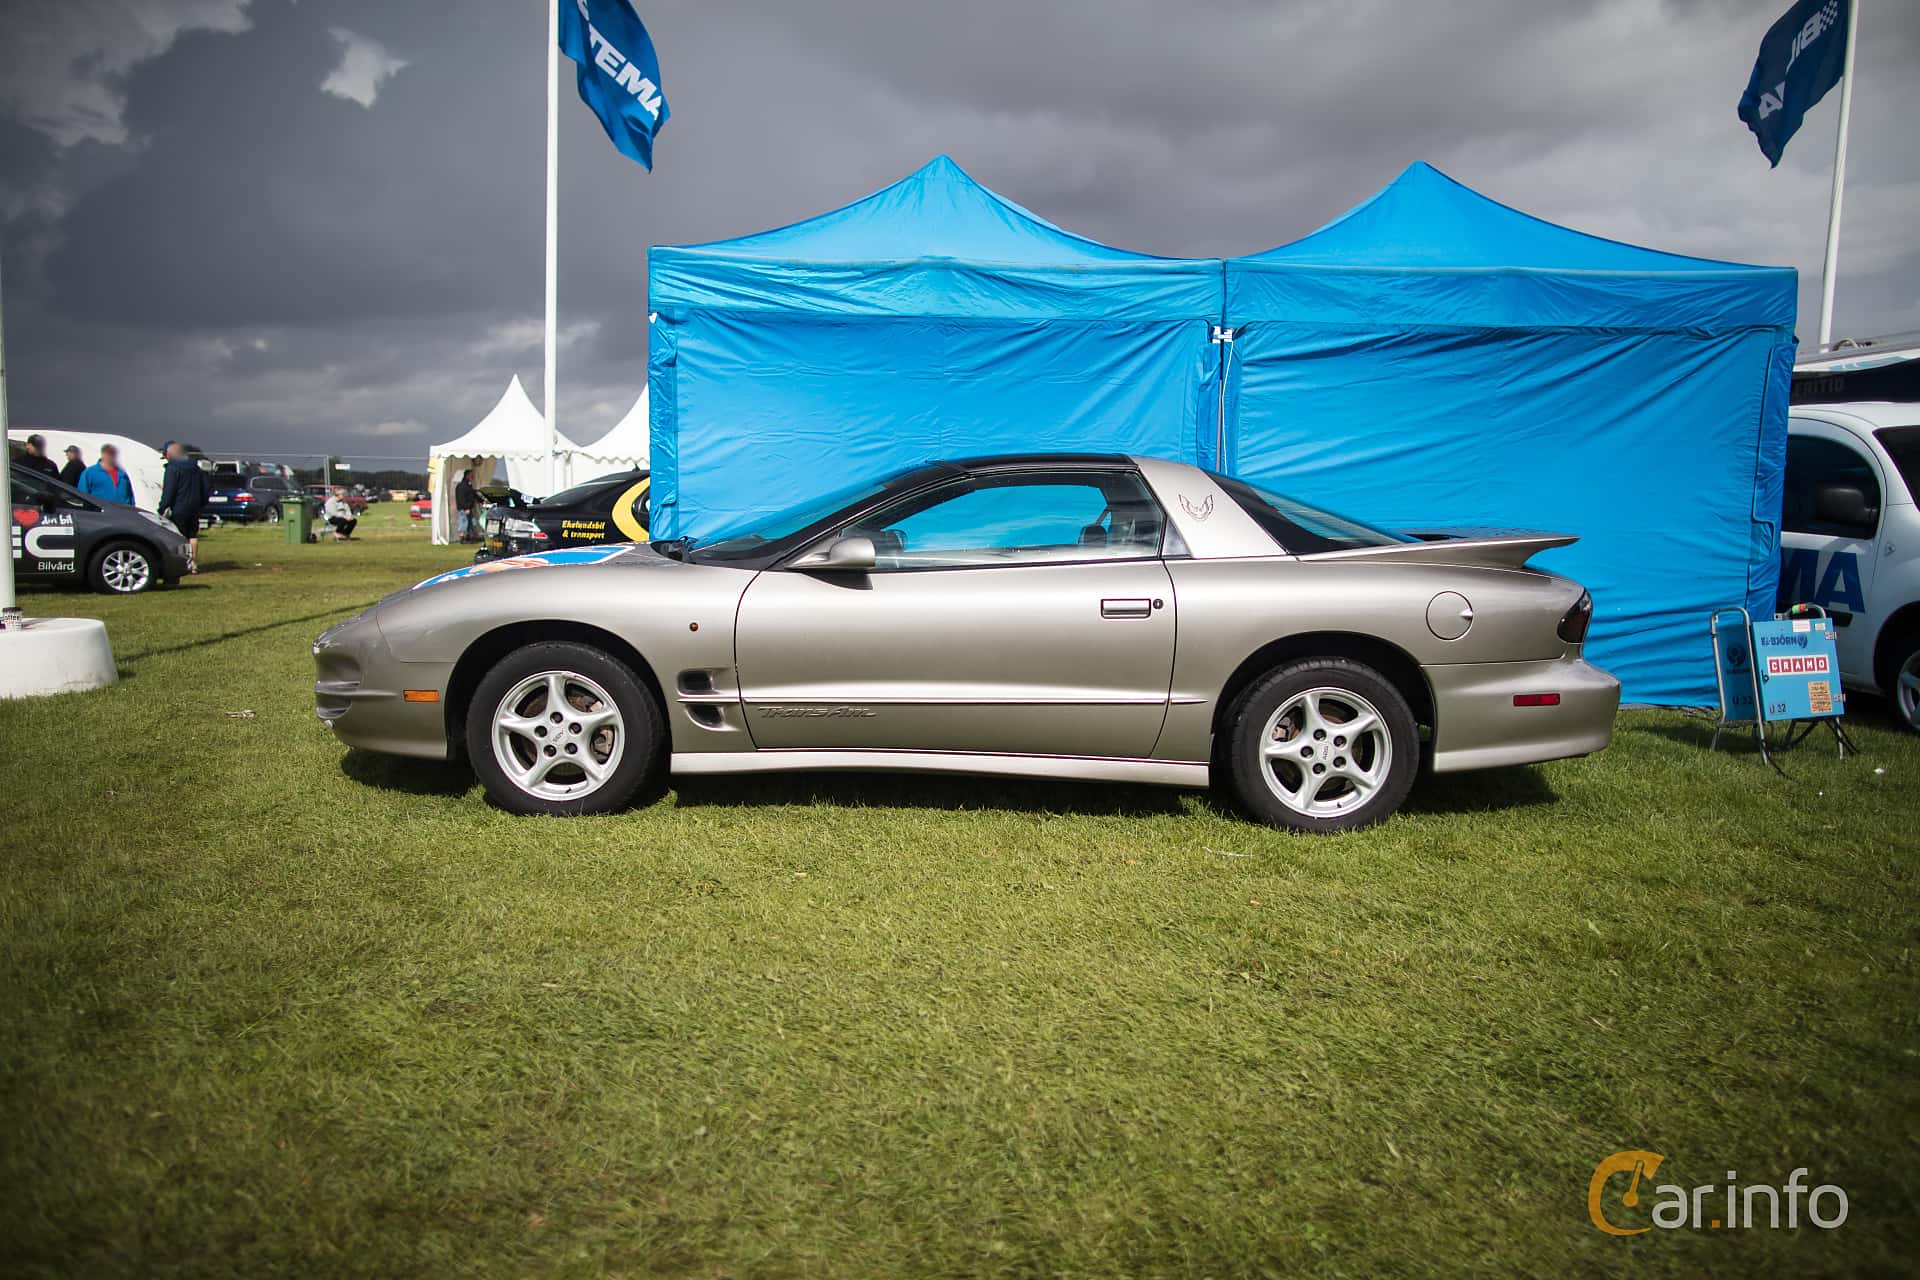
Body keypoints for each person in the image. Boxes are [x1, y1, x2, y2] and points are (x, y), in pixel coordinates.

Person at [158, 441, 208, 569]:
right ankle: (193, 563)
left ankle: (182, 563)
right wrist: (202, 503)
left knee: (180, 537)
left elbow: (170, 490)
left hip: (179, 507)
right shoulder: (196, 468)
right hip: (195, 506)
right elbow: (205, 487)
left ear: (169, 454)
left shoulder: (172, 469)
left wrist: (162, 507)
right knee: (192, 535)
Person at [455, 467, 481, 543]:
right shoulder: (462, 486)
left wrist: (481, 500)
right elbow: (461, 498)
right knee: (464, 522)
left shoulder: (468, 485)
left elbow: (472, 494)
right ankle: (462, 538)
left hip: (469, 507)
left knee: (472, 522)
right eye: (471, 475)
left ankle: (470, 536)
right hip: (464, 508)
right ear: (467, 475)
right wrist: (466, 508)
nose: (472, 477)